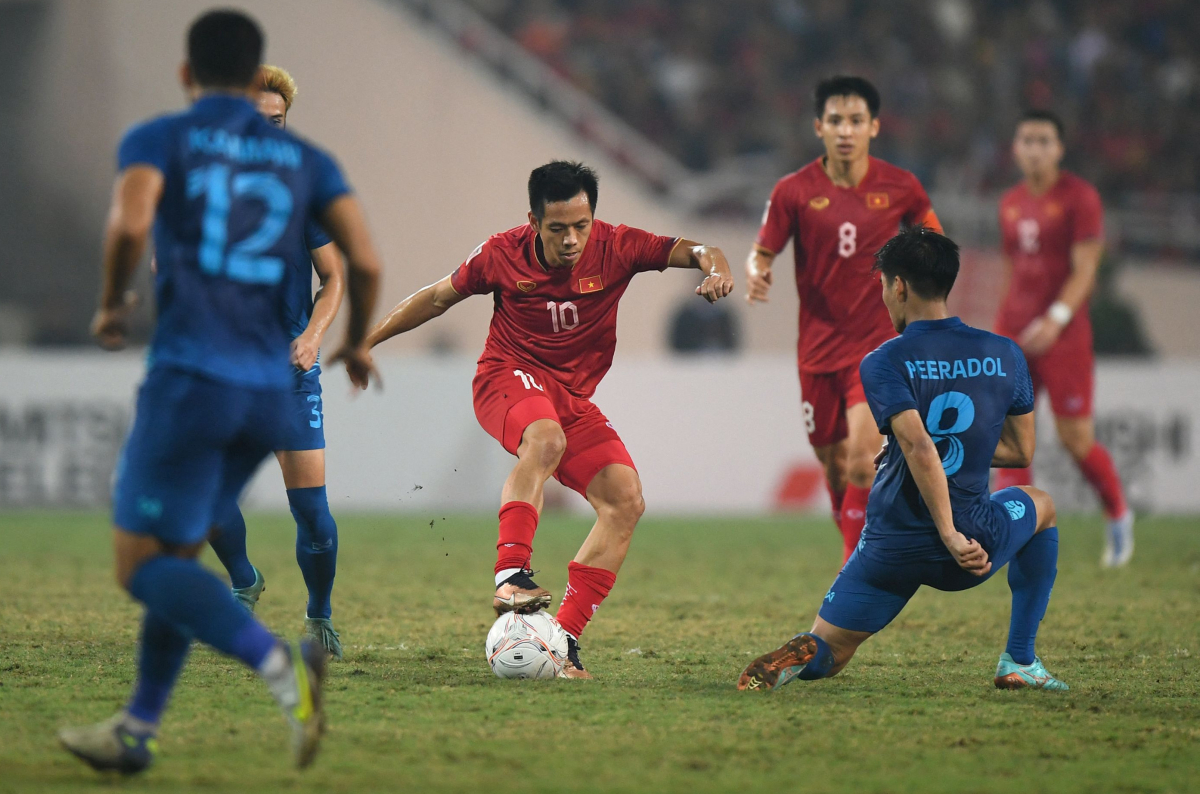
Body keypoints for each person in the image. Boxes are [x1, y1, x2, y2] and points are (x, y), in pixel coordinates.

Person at [58, 10, 381, 773]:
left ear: (185, 73)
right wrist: (358, 340)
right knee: (180, 551)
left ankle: (281, 663)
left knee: (142, 566)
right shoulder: (307, 162)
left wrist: (111, 303)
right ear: (252, 75)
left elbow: (129, 226)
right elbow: (364, 262)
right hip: (268, 389)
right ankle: (138, 729)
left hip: (194, 381)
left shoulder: (161, 139)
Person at [352, 161, 734, 678]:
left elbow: (698, 249)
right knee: (546, 440)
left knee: (625, 500)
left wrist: (717, 267)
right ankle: (510, 572)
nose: (572, 239)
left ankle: (562, 642)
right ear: (532, 221)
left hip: (570, 399)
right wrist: (367, 341)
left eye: (581, 225)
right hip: (507, 377)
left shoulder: (619, 245)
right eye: (557, 228)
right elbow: (438, 297)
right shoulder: (500, 254)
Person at [738, 228, 1068, 693]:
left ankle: (807, 653)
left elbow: (918, 446)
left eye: (882, 286)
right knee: (1042, 504)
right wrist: (953, 534)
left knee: (831, 653)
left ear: (899, 287)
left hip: (892, 543)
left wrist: (909, 456)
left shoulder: (883, 360)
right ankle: (1020, 659)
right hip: (973, 540)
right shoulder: (1005, 354)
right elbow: (1019, 450)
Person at [746, 76, 942, 563]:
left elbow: (936, 246)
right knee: (834, 467)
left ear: (874, 126)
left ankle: (855, 569)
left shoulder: (901, 187)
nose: (846, 130)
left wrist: (923, 293)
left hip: (877, 347)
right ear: (819, 127)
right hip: (817, 351)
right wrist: (757, 272)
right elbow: (762, 250)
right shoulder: (794, 190)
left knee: (860, 461)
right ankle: (855, 546)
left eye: (856, 120)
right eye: (836, 121)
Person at [206, 64, 348, 659]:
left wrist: (313, 335)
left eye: (278, 121)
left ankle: (319, 614)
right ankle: (244, 581)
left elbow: (334, 277)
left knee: (310, 512)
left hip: (288, 371)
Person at [994, 109, 1134, 567]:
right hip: (1016, 334)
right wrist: (1004, 329)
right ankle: (1015, 532)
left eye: (1043, 140)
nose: (1034, 149)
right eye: (1027, 140)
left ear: (1059, 149)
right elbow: (1014, 271)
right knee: (1010, 433)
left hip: (1064, 336)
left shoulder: (1080, 198)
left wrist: (1054, 319)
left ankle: (1117, 513)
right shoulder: (1009, 203)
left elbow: (1086, 269)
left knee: (1076, 440)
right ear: (1016, 148)